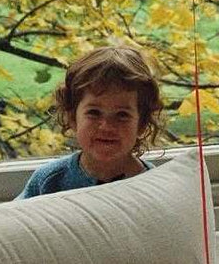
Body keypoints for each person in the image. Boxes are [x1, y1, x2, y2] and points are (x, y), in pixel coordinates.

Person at [18, 44, 164, 197]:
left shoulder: (152, 186)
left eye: (122, 115)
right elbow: (13, 218)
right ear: (73, 118)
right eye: (94, 113)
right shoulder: (49, 181)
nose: (107, 126)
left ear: (142, 124)